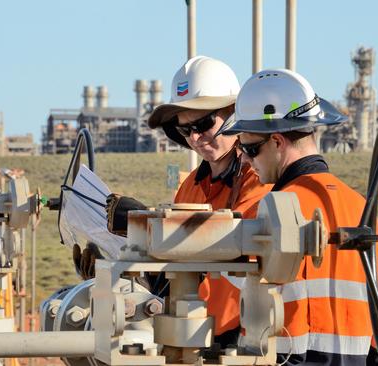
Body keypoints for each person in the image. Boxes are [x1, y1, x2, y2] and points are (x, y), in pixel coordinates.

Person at [219, 68, 378, 365]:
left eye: (249, 148)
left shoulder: (266, 213)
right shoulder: (364, 211)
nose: (248, 162)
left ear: (277, 141)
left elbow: (221, 316)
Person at [114, 56, 271, 343]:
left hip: (243, 338)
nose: (196, 138)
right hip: (190, 333)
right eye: (186, 130)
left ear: (234, 114)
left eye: (204, 123)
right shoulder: (190, 186)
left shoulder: (258, 179)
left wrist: (149, 225)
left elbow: (237, 238)